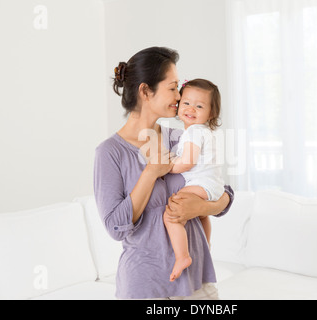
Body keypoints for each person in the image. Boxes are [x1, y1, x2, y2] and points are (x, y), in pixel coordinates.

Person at [93, 47, 234, 300]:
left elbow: (223, 194)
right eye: (172, 87)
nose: (179, 96)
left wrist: (200, 208)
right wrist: (150, 173)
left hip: (196, 281)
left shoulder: (182, 139)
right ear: (146, 91)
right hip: (147, 286)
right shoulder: (110, 153)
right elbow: (115, 228)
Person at [165, 79, 225, 282]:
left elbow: (187, 163)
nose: (191, 109)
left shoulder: (193, 131)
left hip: (201, 184)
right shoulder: (205, 132)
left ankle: (182, 256)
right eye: (186, 103)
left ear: (211, 113)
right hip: (213, 185)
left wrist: (169, 165)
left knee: (172, 214)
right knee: (201, 216)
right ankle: (206, 246)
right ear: (179, 104)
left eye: (199, 106)